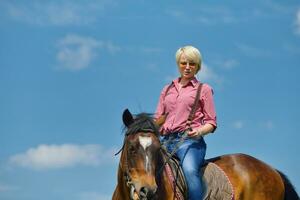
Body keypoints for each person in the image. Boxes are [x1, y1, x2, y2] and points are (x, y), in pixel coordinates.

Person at [155, 45, 217, 200]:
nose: (187, 67)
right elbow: (159, 118)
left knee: (189, 171)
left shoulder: (204, 89)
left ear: (198, 66)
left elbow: (211, 122)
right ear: (178, 64)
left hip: (190, 142)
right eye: (184, 63)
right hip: (165, 141)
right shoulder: (167, 89)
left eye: (192, 64)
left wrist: (199, 131)